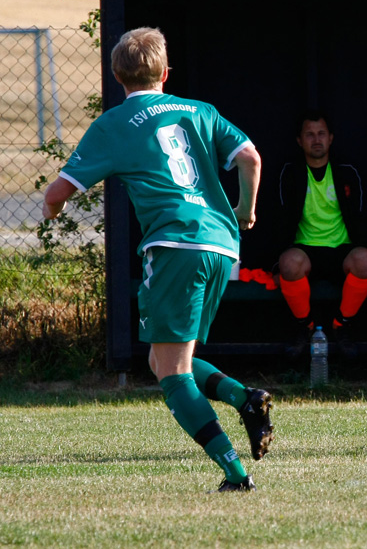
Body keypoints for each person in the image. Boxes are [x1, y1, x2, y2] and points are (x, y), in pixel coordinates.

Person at [41, 27, 272, 492]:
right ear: (166, 72)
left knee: (173, 375)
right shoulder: (201, 111)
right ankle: (244, 398)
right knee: (163, 361)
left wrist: (52, 211)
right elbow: (250, 156)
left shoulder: (113, 124)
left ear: (116, 76)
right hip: (222, 244)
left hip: (174, 245)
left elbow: (56, 193)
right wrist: (246, 210)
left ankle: (236, 474)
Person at [277, 109, 367, 348]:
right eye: (309, 135)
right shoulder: (291, 173)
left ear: (331, 138)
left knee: (365, 260)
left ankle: (341, 325)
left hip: (341, 249)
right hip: (306, 249)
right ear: (300, 141)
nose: (316, 139)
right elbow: (280, 222)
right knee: (287, 263)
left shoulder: (346, 172)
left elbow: (361, 219)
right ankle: (306, 326)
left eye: (321, 133)